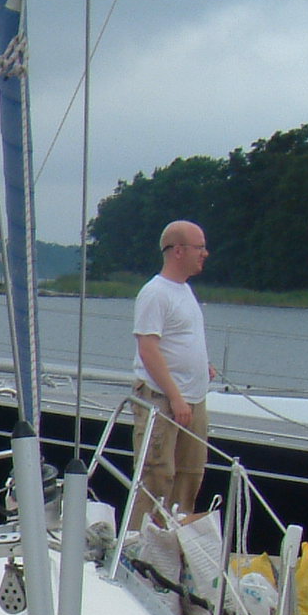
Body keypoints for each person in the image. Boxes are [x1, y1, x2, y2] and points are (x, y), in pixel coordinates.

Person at [130, 221, 212, 528]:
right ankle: (140, 540)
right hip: (163, 399)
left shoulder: (185, 291)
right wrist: (176, 398)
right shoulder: (155, 293)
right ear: (178, 251)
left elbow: (180, 338)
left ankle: (174, 538)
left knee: (190, 474)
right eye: (199, 247)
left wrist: (202, 366)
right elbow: (148, 348)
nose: (205, 253)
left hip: (193, 399)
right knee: (156, 475)